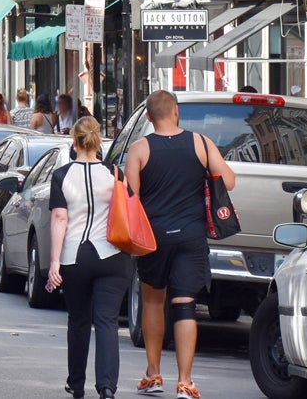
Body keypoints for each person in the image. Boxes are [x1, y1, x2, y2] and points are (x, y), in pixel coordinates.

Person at [126, 90, 236, 399]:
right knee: (185, 304)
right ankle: (185, 382)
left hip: (154, 236)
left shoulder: (139, 149)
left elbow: (130, 197)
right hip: (191, 234)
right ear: (176, 111)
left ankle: (153, 374)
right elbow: (227, 181)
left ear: (148, 117)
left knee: (152, 301)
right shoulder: (201, 143)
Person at [48, 117, 132, 399]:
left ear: (75, 142)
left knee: (79, 320)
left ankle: (76, 383)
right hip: (113, 254)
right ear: (98, 142)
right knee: (107, 321)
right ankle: (107, 387)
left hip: (75, 256)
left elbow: (60, 218)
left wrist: (54, 262)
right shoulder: (115, 173)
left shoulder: (61, 176)